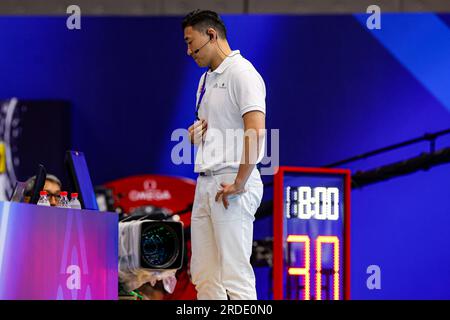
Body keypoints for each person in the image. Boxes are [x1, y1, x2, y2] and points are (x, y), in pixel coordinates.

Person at [183, 10, 266, 300]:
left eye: (191, 42)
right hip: (205, 182)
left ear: (211, 35)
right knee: (205, 276)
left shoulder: (242, 73)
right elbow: (216, 125)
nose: (189, 51)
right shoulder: (204, 80)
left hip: (231, 181)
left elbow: (255, 131)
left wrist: (240, 182)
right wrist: (196, 135)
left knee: (235, 276)